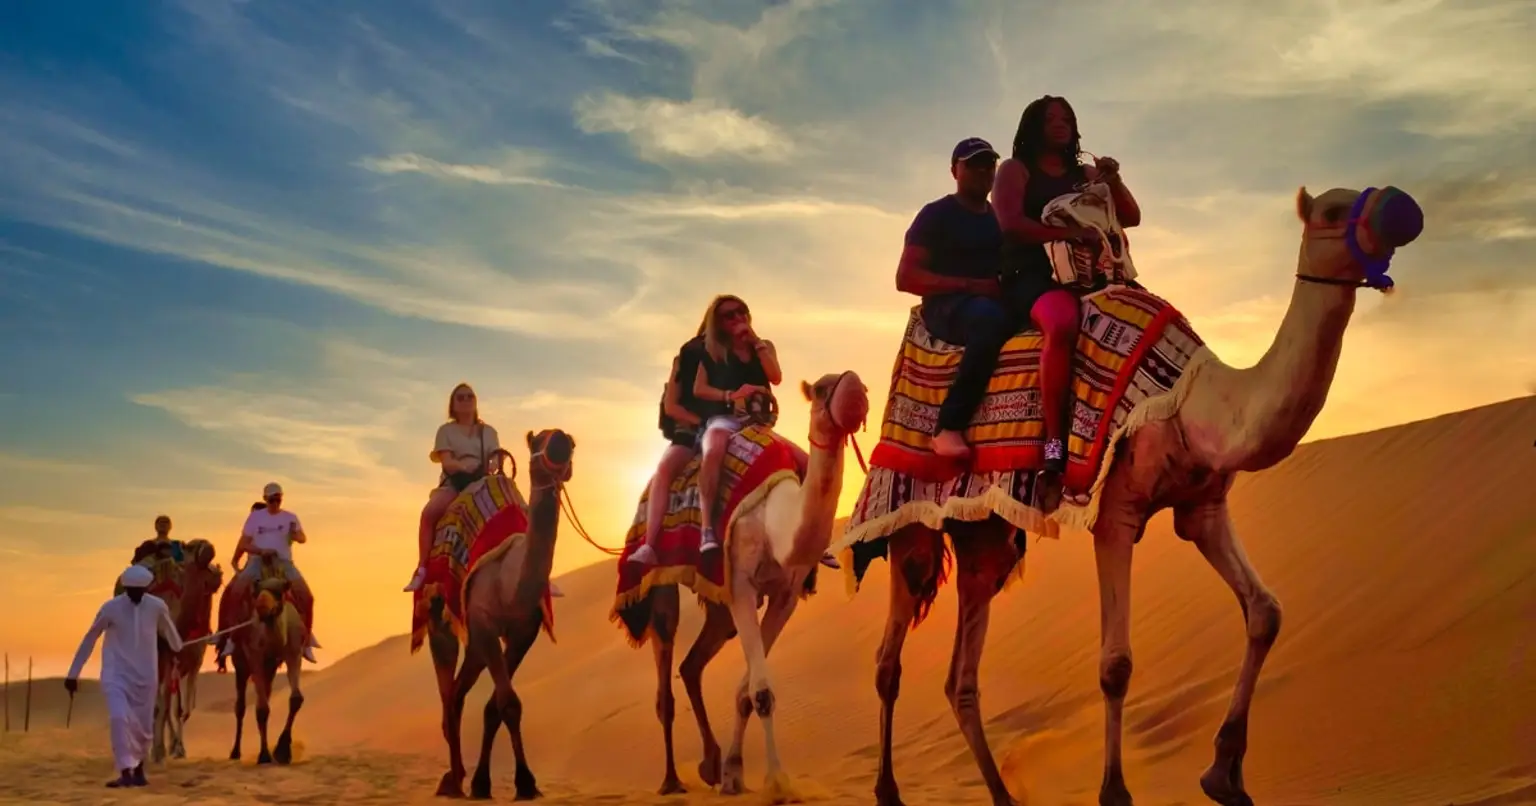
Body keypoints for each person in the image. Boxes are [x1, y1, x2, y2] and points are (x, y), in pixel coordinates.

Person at [992, 95, 1142, 478]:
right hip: (1032, 275)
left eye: (1067, 118)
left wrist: (1113, 180)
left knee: (1150, 317)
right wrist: (1071, 232)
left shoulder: (1087, 175)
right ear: (1033, 127)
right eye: (1050, 119)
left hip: (1093, 274)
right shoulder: (1015, 170)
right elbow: (1010, 224)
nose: (1060, 124)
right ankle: (1055, 446)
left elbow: (1131, 217)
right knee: (1061, 325)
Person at [896, 137, 1027, 462]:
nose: (984, 170)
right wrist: (971, 286)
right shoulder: (936, 214)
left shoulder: (999, 218)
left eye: (989, 163)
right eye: (973, 164)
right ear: (955, 170)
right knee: (988, 321)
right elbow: (906, 277)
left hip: (992, 298)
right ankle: (948, 425)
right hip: (947, 306)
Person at [66, 565, 185, 788]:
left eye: (140, 590)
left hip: (146, 675)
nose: (135, 595)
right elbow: (90, 637)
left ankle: (139, 769)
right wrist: (73, 673)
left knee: (143, 727)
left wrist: (180, 646)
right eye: (131, 590)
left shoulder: (157, 606)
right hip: (116, 674)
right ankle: (125, 771)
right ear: (125, 588)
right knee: (119, 718)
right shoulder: (110, 608)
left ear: (147, 588)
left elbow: (173, 637)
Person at [692, 295, 780, 555]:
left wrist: (757, 343)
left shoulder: (764, 347)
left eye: (742, 312)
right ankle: (707, 527)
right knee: (715, 446)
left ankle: (808, 538)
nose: (738, 318)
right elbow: (699, 389)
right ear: (718, 323)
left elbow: (775, 377)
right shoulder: (712, 352)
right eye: (729, 315)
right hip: (725, 419)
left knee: (805, 462)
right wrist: (732, 394)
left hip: (759, 424)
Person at [628, 322, 716, 567]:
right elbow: (672, 406)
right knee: (664, 472)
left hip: (730, 427)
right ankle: (650, 545)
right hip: (691, 433)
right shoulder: (684, 362)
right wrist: (701, 422)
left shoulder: (738, 356)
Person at [404, 383, 503, 592]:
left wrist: (492, 465)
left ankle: (539, 573)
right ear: (453, 405)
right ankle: (422, 568)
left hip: (483, 481)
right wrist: (464, 466)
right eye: (461, 398)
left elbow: (496, 457)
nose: (466, 401)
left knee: (518, 507)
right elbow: (447, 461)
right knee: (429, 514)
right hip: (455, 483)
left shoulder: (489, 432)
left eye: (470, 397)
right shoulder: (446, 431)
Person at [218, 482, 319, 664]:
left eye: (278, 499)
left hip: (283, 563)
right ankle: (231, 639)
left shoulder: (290, 517)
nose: (275, 502)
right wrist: (259, 551)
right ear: (265, 499)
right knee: (235, 592)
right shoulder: (255, 518)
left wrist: (295, 535)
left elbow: (303, 538)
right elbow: (244, 544)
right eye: (271, 499)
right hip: (258, 561)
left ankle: (306, 642)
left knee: (307, 597)